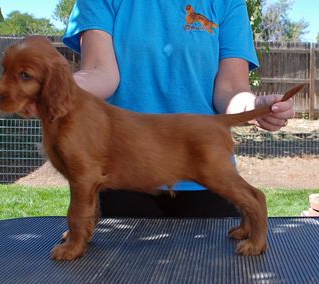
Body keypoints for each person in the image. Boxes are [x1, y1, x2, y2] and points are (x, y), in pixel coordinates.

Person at [60, 0, 294, 217]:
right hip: (123, 172)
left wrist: (253, 107)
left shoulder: (228, 2)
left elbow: (231, 89)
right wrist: (55, 88)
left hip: (205, 170)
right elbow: (100, 73)